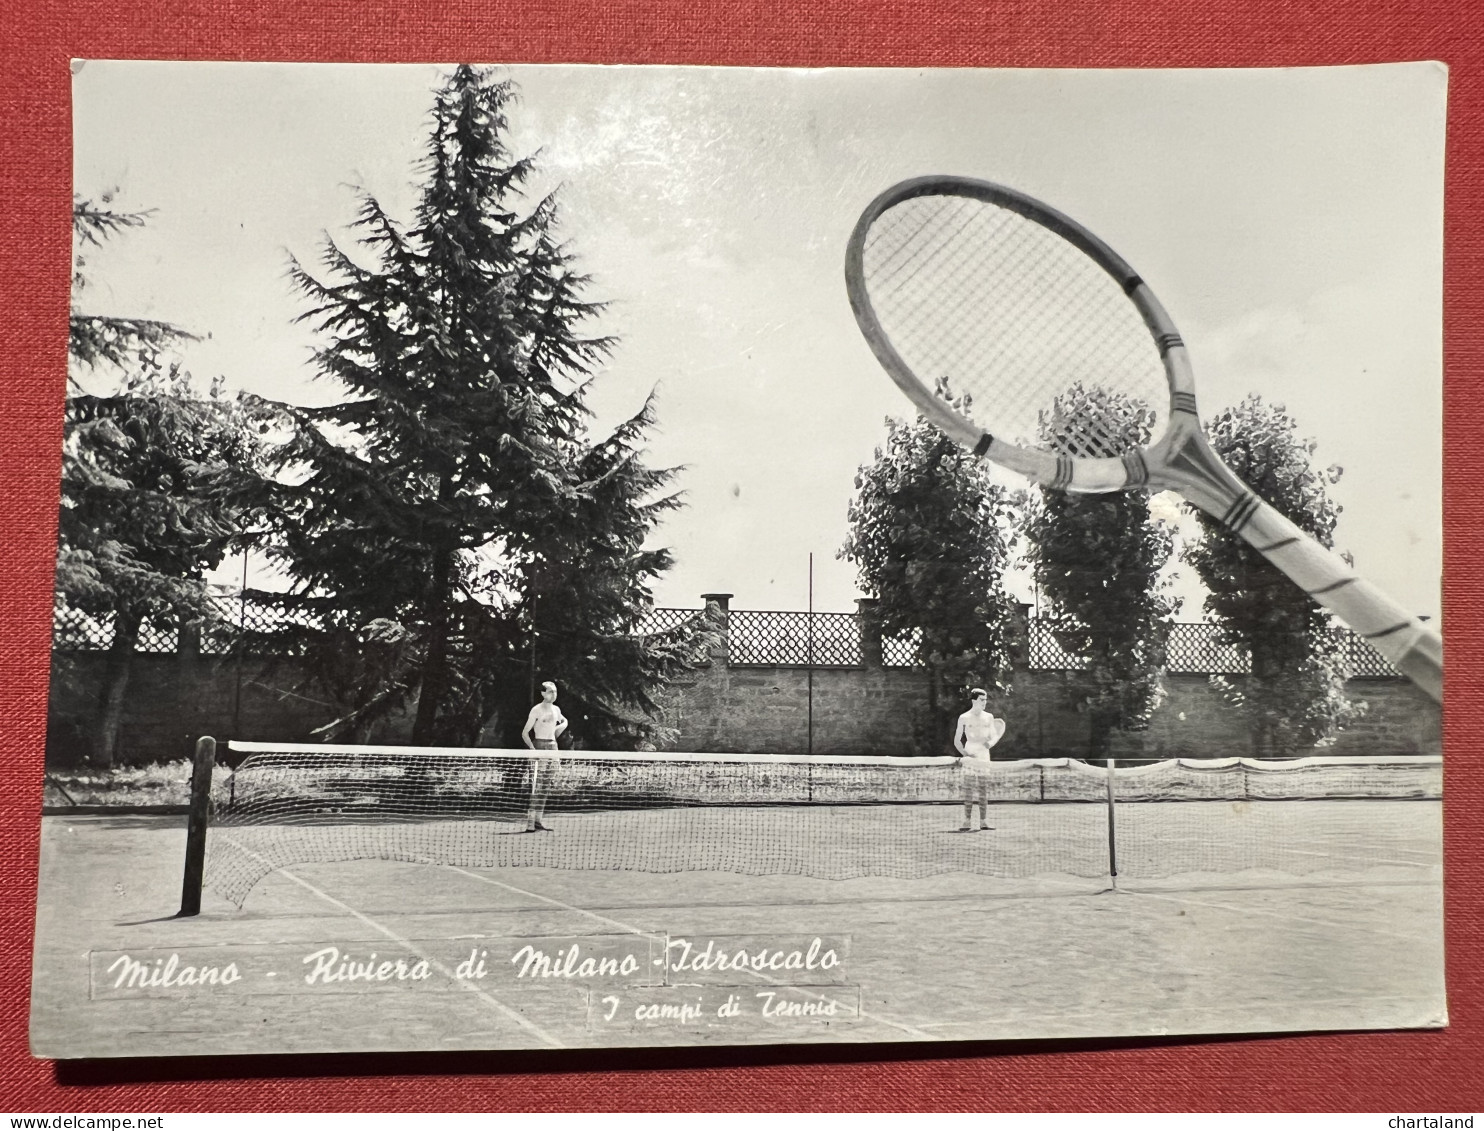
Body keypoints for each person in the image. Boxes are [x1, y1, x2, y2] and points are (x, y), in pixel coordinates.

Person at [520, 680, 568, 832]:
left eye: (555, 691)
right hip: (539, 746)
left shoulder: (556, 709)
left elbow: (564, 721)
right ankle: (530, 822)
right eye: (550, 691)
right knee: (536, 785)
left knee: (546, 786)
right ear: (542, 693)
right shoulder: (536, 710)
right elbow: (525, 733)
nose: (553, 694)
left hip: (553, 748)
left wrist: (557, 729)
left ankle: (538, 821)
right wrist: (533, 749)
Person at [954, 688, 1005, 831]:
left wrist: (990, 743)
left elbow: (994, 736)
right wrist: (965, 754)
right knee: (968, 789)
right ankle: (967, 822)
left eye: (986, 700)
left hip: (983, 754)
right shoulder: (963, 717)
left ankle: (983, 822)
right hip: (970, 752)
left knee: (983, 789)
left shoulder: (989, 717)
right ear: (974, 700)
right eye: (982, 700)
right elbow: (957, 740)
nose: (985, 702)